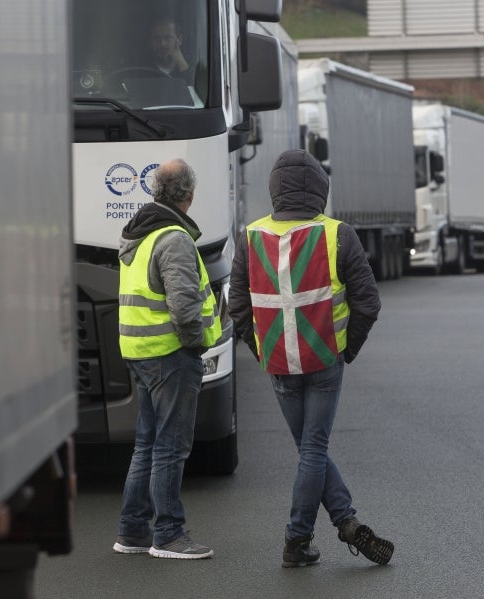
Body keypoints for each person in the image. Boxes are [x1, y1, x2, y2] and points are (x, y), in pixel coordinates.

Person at [229, 149, 395, 568]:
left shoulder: (251, 236)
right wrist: (345, 349)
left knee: (309, 449)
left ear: (274, 190)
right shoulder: (337, 234)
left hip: (279, 364)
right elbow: (368, 303)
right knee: (314, 449)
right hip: (325, 360)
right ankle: (296, 539)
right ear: (321, 187)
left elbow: (237, 308)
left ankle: (345, 522)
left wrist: (261, 349)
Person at [113, 158, 221, 559]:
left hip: (140, 353)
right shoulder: (173, 238)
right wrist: (195, 345)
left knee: (147, 445)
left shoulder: (138, 233)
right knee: (170, 448)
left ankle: (132, 531)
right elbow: (184, 308)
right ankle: (169, 535)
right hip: (170, 356)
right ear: (189, 196)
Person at [148, 17, 192, 83]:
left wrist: (181, 62)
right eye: (156, 38)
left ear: (179, 40)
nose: (162, 43)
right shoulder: (142, 69)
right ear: (150, 41)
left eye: (168, 38)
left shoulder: (193, 69)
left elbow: (193, 90)